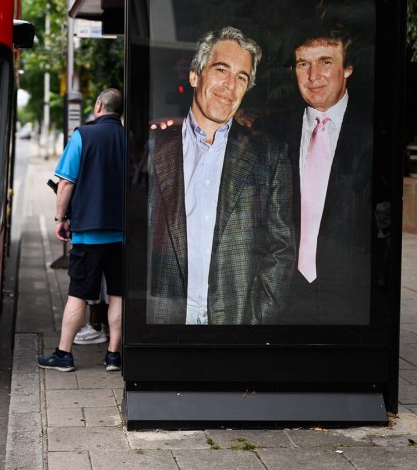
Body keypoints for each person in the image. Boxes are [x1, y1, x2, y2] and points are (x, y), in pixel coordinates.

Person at [147, 27, 294, 325]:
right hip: (163, 320)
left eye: (241, 77)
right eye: (221, 70)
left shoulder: (270, 155)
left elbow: (281, 249)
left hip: (235, 323)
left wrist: (256, 320)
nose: (230, 85)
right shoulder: (153, 148)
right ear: (194, 76)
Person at [275, 34, 373, 324]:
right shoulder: (275, 132)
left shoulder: (372, 133)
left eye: (325, 62)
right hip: (284, 295)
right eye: (303, 63)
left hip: (350, 297)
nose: (313, 76)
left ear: (347, 68)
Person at [37, 88, 126, 372]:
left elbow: (65, 183)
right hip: (123, 234)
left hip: (89, 232)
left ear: (98, 106)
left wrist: (59, 218)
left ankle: (64, 354)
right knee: (118, 294)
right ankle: (113, 355)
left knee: (78, 293)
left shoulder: (84, 136)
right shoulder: (130, 138)